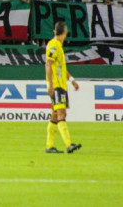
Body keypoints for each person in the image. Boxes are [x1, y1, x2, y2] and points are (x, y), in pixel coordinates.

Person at [45, 21, 81, 154]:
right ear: (65, 32)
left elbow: (59, 67)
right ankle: (69, 144)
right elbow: (48, 64)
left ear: (55, 31)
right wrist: (50, 84)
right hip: (57, 86)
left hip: (61, 85)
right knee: (62, 113)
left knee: (55, 115)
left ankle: (49, 146)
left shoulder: (57, 46)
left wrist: (71, 80)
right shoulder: (54, 45)